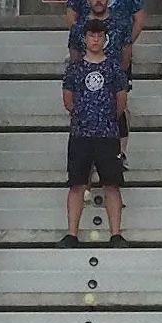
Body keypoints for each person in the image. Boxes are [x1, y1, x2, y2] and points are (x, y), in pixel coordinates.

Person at [62, 20, 129, 248]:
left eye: (99, 36)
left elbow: (121, 101)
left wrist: (106, 118)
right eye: (91, 35)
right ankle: (72, 233)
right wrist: (83, 115)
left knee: (112, 184)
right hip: (81, 133)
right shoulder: (74, 68)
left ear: (105, 39)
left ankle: (116, 234)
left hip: (108, 134)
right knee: (77, 184)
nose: (95, 39)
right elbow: (67, 99)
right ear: (85, 38)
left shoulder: (114, 68)